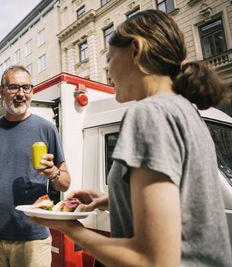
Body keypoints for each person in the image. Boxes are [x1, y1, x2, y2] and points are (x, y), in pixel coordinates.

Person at [30, 9, 232, 266]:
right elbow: (184, 202)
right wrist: (114, 200)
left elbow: (151, 260)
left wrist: (69, 228)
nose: (109, 73)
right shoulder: (184, 109)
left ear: (135, 50)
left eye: (110, 60)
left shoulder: (148, 113)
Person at [0, 65, 71, 267]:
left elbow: (64, 184)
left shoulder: (46, 129)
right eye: (13, 87)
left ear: (32, 91)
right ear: (1, 91)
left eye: (26, 87)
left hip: (32, 235)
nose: (20, 94)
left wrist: (54, 173)